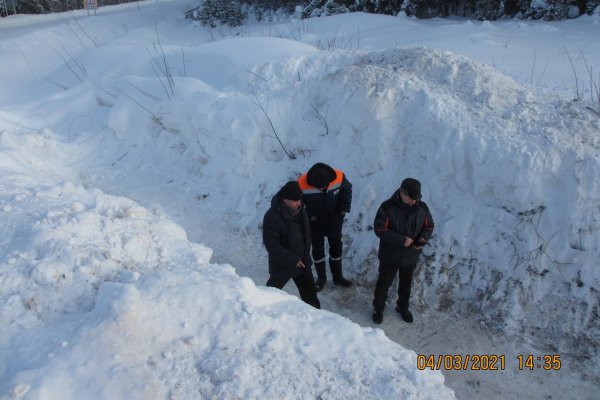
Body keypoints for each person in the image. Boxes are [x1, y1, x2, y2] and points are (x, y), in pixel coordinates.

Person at [372, 178, 434, 324]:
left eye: (416, 198)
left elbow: (429, 226)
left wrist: (423, 239)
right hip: (389, 255)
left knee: (406, 285)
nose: (414, 201)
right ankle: (378, 308)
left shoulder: (422, 208)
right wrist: (401, 240)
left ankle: (402, 307)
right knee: (383, 285)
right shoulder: (387, 207)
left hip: (410, 256)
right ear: (402, 193)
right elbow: (379, 229)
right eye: (411, 198)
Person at [263, 181, 320, 309]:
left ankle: (317, 320)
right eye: (295, 201)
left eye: (299, 200)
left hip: (303, 262)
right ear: (284, 199)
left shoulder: (300, 209)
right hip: (283, 264)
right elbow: (271, 245)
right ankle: (260, 315)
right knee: (268, 296)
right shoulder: (272, 217)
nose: (299, 203)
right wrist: (292, 259)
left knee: (311, 297)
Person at [298, 162, 353, 291]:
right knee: (318, 251)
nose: (322, 190)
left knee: (336, 249)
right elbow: (299, 204)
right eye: (319, 188)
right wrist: (308, 215)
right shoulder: (301, 184)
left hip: (334, 221)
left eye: (324, 187)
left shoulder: (339, 177)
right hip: (315, 223)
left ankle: (338, 277)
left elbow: (347, 190)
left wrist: (345, 207)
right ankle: (321, 279)